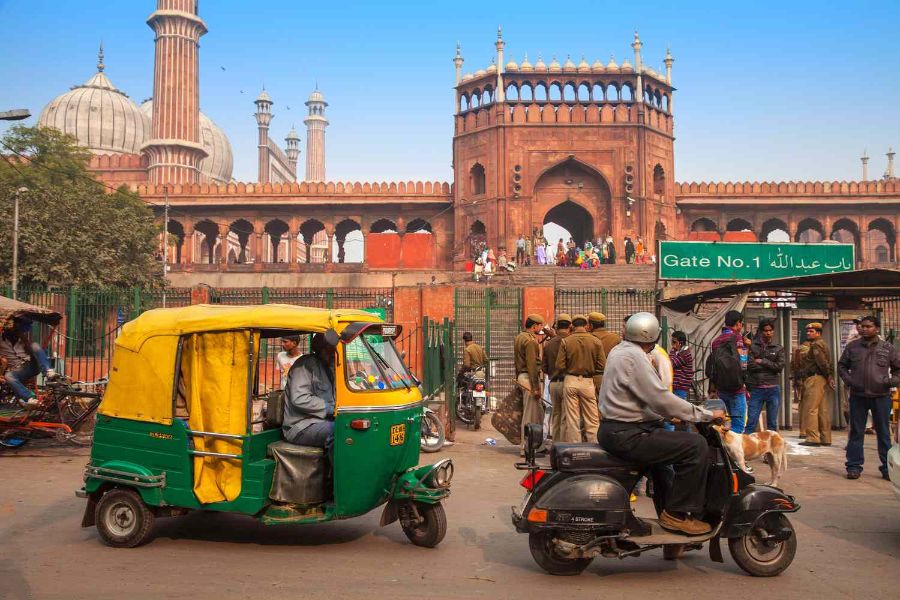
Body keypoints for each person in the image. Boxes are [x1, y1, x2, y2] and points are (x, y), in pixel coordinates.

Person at [599, 312, 724, 535]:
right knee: (696, 446)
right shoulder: (634, 357)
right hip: (629, 433)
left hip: (618, 429)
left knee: (663, 466)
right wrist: (704, 414)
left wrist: (666, 416)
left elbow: (636, 398)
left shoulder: (620, 351)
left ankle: (669, 520)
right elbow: (660, 397)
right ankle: (676, 515)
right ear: (653, 338)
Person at [838, 315, 900, 480]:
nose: (864, 329)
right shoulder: (853, 347)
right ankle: (853, 466)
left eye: (868, 326)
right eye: (862, 326)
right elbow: (842, 366)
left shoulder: (887, 348)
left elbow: (898, 369)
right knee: (856, 432)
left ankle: (887, 468)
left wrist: (888, 381)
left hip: (881, 396)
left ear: (877, 328)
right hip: (858, 396)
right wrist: (850, 380)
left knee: (883, 433)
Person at [282, 333, 337, 452]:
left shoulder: (329, 366)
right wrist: (332, 408)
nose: (333, 352)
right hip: (301, 426)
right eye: (330, 348)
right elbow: (300, 398)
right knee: (341, 432)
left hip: (323, 421)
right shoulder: (304, 365)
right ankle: (337, 470)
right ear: (321, 348)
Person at [555, 315, 606, 443]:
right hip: (588, 381)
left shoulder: (566, 341)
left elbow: (559, 365)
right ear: (586, 325)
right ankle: (594, 446)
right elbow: (602, 365)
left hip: (570, 380)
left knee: (572, 419)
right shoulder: (595, 341)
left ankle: (574, 448)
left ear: (572, 326)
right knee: (592, 419)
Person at [793, 322, 835, 446]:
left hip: (815, 378)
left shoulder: (816, 345)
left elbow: (822, 363)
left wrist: (828, 376)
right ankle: (825, 437)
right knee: (823, 410)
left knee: (810, 409)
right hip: (821, 378)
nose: (808, 333)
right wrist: (828, 377)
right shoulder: (822, 344)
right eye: (808, 331)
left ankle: (812, 438)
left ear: (818, 333)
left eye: (811, 331)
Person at [707, 310, 749, 433]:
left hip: (722, 389)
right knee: (738, 425)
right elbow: (743, 361)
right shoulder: (737, 337)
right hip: (737, 389)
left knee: (722, 423)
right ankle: (733, 451)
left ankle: (722, 449)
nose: (741, 326)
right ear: (738, 323)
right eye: (741, 323)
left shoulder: (716, 341)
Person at [1, 316, 56, 408]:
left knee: (35, 345)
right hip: (18, 370)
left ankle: (49, 372)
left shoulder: (24, 339)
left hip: (32, 365)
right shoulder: (1, 341)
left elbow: (37, 351)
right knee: (8, 376)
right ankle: (29, 398)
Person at [746, 319, 785, 433]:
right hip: (757, 388)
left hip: (773, 388)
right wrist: (770, 366)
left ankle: (771, 448)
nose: (768, 333)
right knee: (751, 422)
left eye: (771, 330)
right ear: (761, 331)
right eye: (766, 330)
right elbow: (749, 365)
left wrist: (763, 361)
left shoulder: (778, 348)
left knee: (772, 423)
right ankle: (748, 447)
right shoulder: (753, 347)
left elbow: (779, 367)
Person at [515, 314, 545, 454]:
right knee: (530, 415)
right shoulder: (531, 341)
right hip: (529, 378)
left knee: (536, 413)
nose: (541, 328)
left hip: (522, 376)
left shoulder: (520, 337)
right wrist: (536, 388)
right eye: (540, 326)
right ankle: (526, 448)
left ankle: (537, 446)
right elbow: (532, 365)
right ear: (534, 326)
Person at [542, 314, 572, 442]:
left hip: (553, 383)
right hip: (568, 382)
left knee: (556, 414)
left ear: (557, 326)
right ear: (570, 326)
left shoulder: (549, 344)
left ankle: (556, 444)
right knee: (566, 416)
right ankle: (564, 446)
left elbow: (544, 367)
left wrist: (552, 373)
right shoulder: (572, 341)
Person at [587, 312, 620, 396]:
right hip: (611, 377)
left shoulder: (587, 338)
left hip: (591, 378)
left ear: (591, 325)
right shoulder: (615, 338)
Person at [670, 331, 694, 404]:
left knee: (679, 410)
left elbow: (671, 363)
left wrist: (673, 351)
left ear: (680, 343)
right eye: (672, 341)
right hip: (674, 386)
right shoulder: (676, 351)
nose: (672, 344)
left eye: (674, 342)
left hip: (681, 387)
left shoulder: (685, 353)